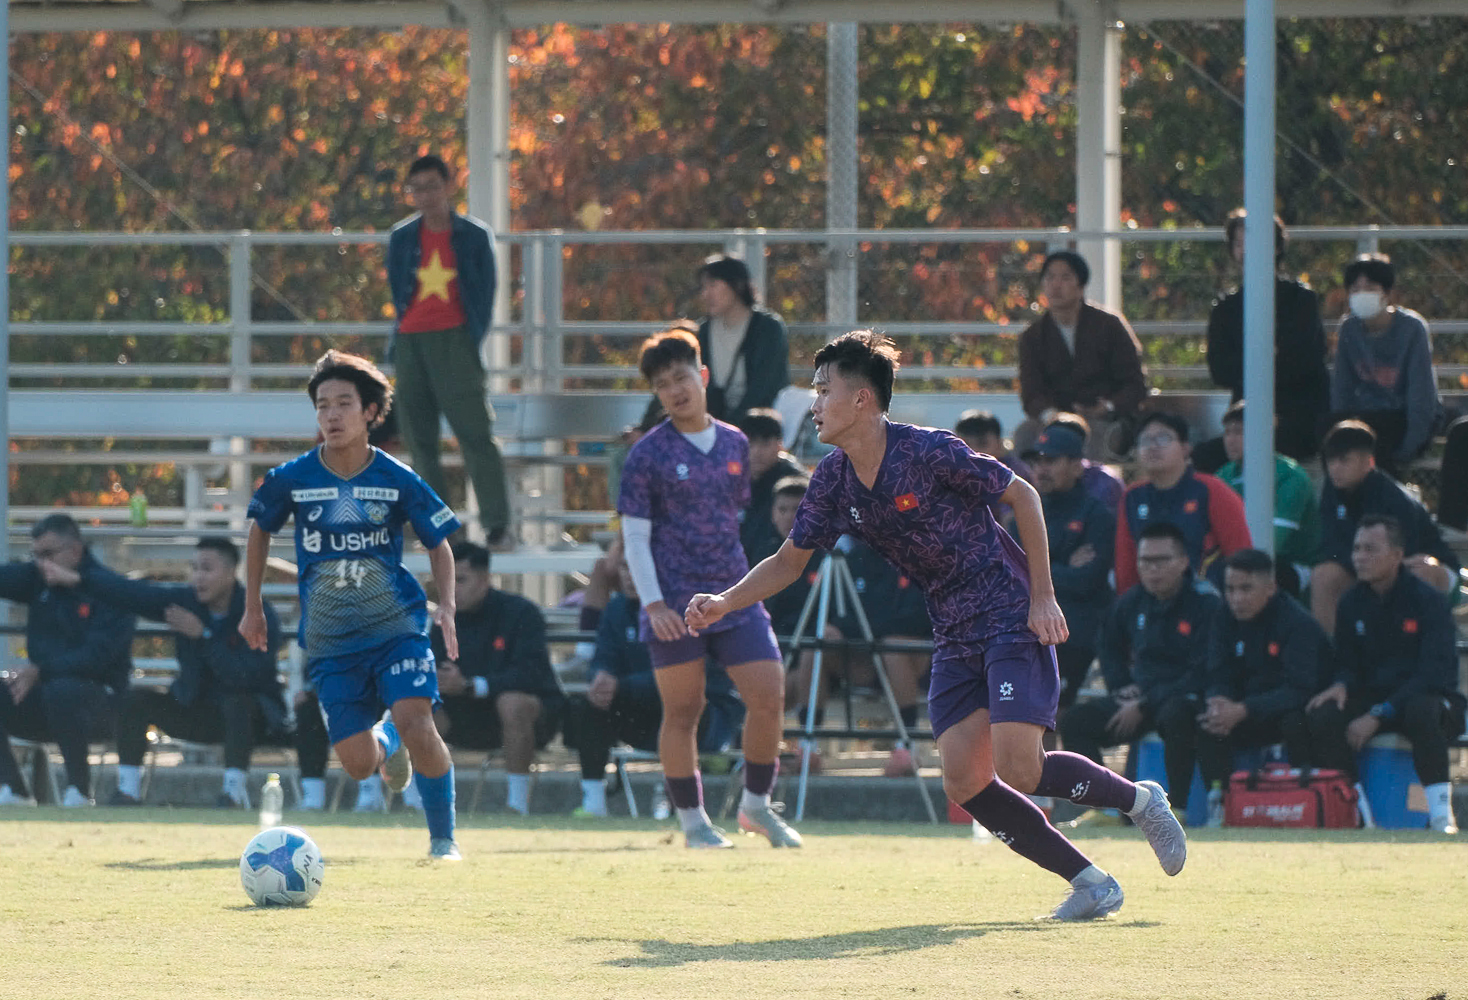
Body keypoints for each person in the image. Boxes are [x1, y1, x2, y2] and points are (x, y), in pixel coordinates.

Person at [687, 331, 1187, 921]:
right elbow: (788, 562)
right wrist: (725, 601)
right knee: (964, 782)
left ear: (862, 399)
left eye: (824, 391)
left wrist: (1043, 597)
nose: (814, 405)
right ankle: (1090, 883)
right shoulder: (832, 479)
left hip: (1007, 613)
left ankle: (1140, 800)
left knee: (1020, 767)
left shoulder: (928, 451)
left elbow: (1024, 496)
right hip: (951, 630)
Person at [240, 349, 465, 859]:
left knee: (419, 721)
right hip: (330, 639)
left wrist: (447, 605)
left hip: (396, 627)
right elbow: (258, 530)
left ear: (371, 412)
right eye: (323, 406)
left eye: (344, 403)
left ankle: (443, 840)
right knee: (360, 765)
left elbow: (439, 543)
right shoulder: (293, 478)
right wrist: (252, 606)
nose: (332, 415)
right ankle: (387, 740)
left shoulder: (397, 478)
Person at [617, 328, 801, 849]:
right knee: (683, 711)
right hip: (673, 601)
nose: (674, 390)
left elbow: (731, 516)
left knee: (769, 695)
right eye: (662, 384)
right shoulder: (646, 455)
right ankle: (694, 822)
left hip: (732, 595)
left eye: (681, 377)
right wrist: (655, 604)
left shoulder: (736, 442)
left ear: (702, 376)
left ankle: (756, 807)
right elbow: (635, 537)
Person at [38, 536, 290, 809]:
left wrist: (204, 636)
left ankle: (233, 794)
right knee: (136, 699)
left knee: (238, 704)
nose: (198, 577)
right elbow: (132, 594)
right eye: (194, 568)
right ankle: (128, 792)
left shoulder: (258, 614)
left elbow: (246, 677)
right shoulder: (185, 602)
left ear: (231, 573)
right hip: (196, 709)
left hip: (250, 721)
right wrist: (80, 580)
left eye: (206, 569)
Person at [1304, 516, 1464, 834]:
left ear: (1396, 555)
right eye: (1356, 549)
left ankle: (1441, 817)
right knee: (1323, 713)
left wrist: (1380, 713)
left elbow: (1433, 674)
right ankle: (1357, 813)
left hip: (1427, 700)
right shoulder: (1351, 602)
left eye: (1370, 549)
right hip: (1374, 699)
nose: (1360, 557)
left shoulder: (1428, 601)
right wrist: (1341, 684)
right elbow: (1347, 662)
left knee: (1422, 710)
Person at [566, 540, 745, 817]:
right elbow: (603, 658)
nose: (629, 575)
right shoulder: (616, 609)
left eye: (636, 567)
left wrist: (622, 686)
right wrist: (600, 677)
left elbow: (686, 677)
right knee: (588, 706)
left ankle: (681, 801)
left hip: (705, 717)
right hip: (643, 712)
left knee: (683, 702)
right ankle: (594, 803)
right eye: (624, 567)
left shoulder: (691, 609)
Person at [386, 153, 511, 546]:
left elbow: (486, 292)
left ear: (449, 187)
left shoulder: (473, 235)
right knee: (418, 439)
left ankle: (496, 523)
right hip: (410, 341)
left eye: (432, 186)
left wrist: (469, 337)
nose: (426, 196)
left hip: (455, 339)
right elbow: (397, 288)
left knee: (475, 433)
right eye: (417, 189)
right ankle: (438, 524)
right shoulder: (402, 237)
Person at [1060, 521, 1219, 817]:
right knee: (1074, 722)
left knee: (1177, 715)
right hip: (1139, 699)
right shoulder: (1132, 602)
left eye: (1162, 560)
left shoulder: (1205, 604)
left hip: (1184, 699)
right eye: (1145, 561)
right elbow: (1107, 645)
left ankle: (1177, 810)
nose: (1152, 569)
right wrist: (1121, 686)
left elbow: (1203, 671)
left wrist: (1145, 703)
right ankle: (1105, 809)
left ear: (1184, 562)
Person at [0, 514, 135, 807]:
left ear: (75, 550)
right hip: (44, 699)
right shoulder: (38, 578)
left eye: (48, 554)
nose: (41, 563)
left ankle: (79, 791)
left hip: (101, 703)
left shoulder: (110, 590)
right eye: (36, 555)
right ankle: (13, 788)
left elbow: (95, 659)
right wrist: (36, 674)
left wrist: (41, 671)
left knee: (63, 690)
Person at [429, 540, 563, 816]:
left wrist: (471, 685)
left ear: (485, 578)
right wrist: (442, 682)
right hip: (462, 716)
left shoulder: (521, 613)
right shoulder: (443, 620)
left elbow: (530, 673)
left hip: (528, 719)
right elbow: (434, 670)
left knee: (511, 703)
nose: (451, 589)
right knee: (417, 706)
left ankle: (517, 806)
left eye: (460, 580)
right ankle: (417, 803)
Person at [1198, 548, 1328, 825]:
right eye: (1230, 589)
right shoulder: (1223, 616)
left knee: (1296, 721)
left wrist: (1243, 709)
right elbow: (1217, 670)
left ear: (1270, 588)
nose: (1237, 598)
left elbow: (1300, 689)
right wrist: (1218, 700)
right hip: (1241, 708)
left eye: (1246, 589)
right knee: (1208, 720)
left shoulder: (1297, 623)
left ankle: (1301, 801)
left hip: (1283, 710)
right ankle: (1218, 802)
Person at [1204, 209, 1330, 462]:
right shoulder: (1225, 308)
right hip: (1246, 416)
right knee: (1204, 458)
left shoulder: (1301, 300)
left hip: (1298, 415)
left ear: (1276, 247)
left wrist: (1249, 359)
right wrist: (1269, 354)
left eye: (1253, 241)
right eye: (1238, 243)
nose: (1245, 250)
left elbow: (1304, 360)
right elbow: (1220, 370)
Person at [1310, 420, 1458, 634]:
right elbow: (1330, 545)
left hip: (1420, 563)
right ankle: (1333, 651)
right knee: (1324, 575)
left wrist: (1368, 565)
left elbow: (1407, 553)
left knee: (1418, 575)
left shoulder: (1395, 499)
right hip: (1365, 565)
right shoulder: (1331, 492)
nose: (1335, 468)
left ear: (1369, 461)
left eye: (1344, 460)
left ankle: (1412, 649)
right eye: (1331, 460)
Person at [1015, 250, 1149, 460]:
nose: (1056, 285)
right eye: (1050, 277)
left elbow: (1135, 384)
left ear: (1081, 285)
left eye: (1065, 277)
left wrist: (1107, 407)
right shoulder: (1033, 336)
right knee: (1025, 434)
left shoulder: (1109, 325)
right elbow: (1031, 393)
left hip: (1107, 419)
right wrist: (1053, 415)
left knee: (1090, 439)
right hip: (1054, 419)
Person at [1114, 411, 1252, 595]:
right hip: (1150, 602)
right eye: (1145, 441)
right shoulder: (1132, 496)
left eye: (1163, 439)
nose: (1153, 447)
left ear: (1186, 448)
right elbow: (1126, 565)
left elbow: (1241, 554)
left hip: (1207, 601)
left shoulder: (1211, 490)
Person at [1329, 252, 1442, 475]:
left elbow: (1421, 396)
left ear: (1387, 293)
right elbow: (1342, 388)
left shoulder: (1412, 329)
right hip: (1365, 418)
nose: (1361, 294)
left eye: (1370, 288)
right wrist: (1340, 428)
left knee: (1377, 444)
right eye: (1355, 289)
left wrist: (1409, 447)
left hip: (1401, 418)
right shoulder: (1349, 329)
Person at [1029, 423, 1114, 714]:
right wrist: (1062, 567)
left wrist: (1038, 571)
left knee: (1053, 713)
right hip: (1029, 627)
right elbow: (1012, 574)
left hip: (1076, 630)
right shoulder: (1026, 512)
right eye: (1037, 460)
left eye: (1051, 460)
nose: (1041, 468)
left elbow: (1087, 581)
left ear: (1077, 467)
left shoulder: (1096, 515)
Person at [1214, 400, 1322, 596]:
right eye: (1227, 432)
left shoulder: (1291, 477)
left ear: (1263, 433)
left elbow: (1272, 543)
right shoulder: (1224, 475)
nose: (1230, 439)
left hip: (1293, 564)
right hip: (1240, 557)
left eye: (1239, 432)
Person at [696, 253, 791, 423]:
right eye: (703, 287)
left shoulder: (768, 328)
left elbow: (764, 387)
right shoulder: (704, 331)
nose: (705, 294)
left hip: (760, 423)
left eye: (713, 285)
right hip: (714, 422)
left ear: (738, 285)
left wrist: (733, 426)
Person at [736, 408, 806, 559]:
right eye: (750, 444)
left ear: (780, 445)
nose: (757, 451)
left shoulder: (796, 480)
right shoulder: (733, 476)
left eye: (765, 444)